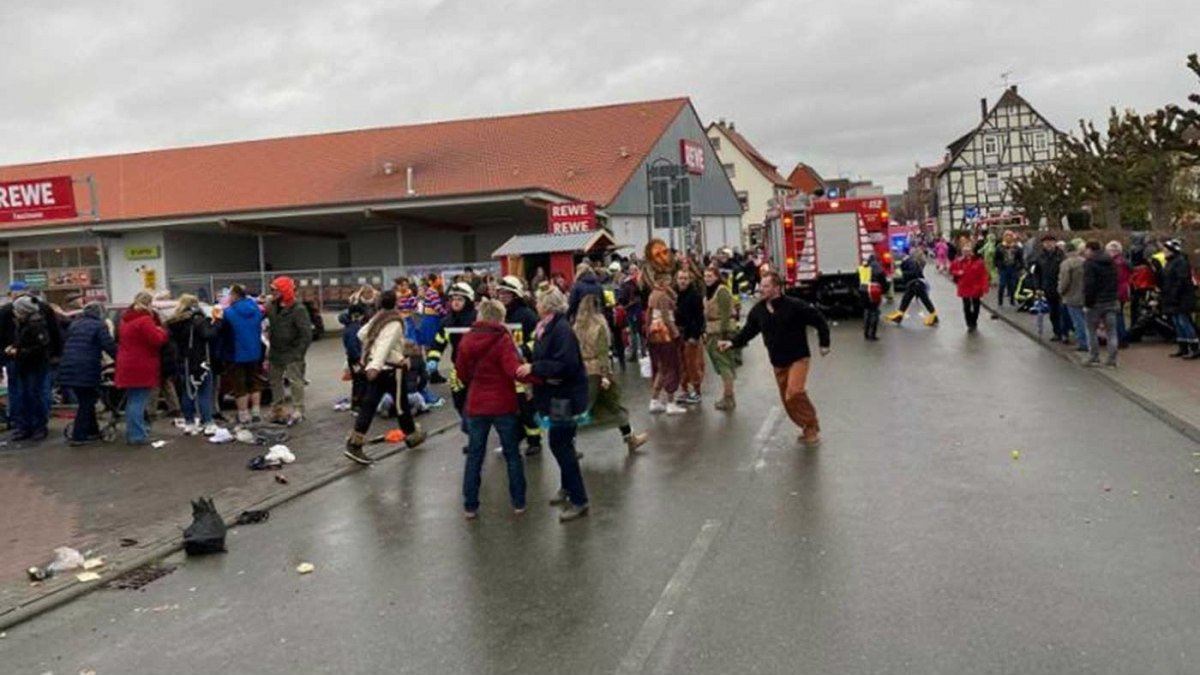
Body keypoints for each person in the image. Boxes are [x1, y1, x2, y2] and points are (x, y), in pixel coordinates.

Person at [719, 271, 830, 447]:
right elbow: (749, 331)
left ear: (777, 288)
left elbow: (818, 320)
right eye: (761, 286)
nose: (761, 289)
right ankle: (807, 426)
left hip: (798, 357)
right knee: (788, 401)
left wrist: (824, 343)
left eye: (766, 286)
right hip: (778, 361)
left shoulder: (794, 306)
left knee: (794, 392)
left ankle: (811, 426)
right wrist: (732, 343)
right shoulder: (758, 311)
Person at [516, 286, 590, 522]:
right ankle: (568, 488)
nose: (536, 304)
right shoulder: (548, 327)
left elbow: (565, 364)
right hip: (555, 394)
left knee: (561, 445)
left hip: (564, 396)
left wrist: (535, 368)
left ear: (547, 306)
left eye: (539, 301)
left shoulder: (560, 330)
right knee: (562, 443)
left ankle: (579, 499)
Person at [455, 298, 528, 519]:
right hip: (503, 403)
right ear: (500, 317)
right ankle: (518, 502)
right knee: (512, 455)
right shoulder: (503, 340)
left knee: (475, 455)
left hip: (477, 404)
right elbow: (512, 370)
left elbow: (461, 373)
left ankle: (470, 505)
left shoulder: (466, 340)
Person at [343, 290, 425, 465]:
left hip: (379, 369)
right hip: (392, 370)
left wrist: (373, 357)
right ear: (395, 304)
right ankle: (412, 435)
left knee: (370, 405)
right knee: (400, 404)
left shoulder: (377, 318)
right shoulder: (395, 322)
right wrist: (376, 364)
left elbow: (361, 334)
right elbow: (385, 345)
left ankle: (355, 442)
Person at [573, 294, 649, 454]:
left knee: (599, 406)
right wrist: (606, 375)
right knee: (606, 405)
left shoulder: (576, 327)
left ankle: (631, 438)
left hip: (581, 370)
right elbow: (602, 353)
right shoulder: (599, 326)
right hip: (597, 372)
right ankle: (568, 444)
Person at [6, 292, 63, 442]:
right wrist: (15, 347)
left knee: (34, 395)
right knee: (26, 395)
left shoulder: (36, 325)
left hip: (34, 366)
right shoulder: (24, 323)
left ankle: (35, 427)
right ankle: (28, 427)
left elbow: (40, 347)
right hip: (25, 365)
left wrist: (18, 351)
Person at [59, 302, 117, 446]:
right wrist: (120, 359)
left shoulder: (75, 324)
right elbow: (108, 345)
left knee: (86, 399)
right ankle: (79, 435)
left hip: (68, 366)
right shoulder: (99, 325)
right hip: (86, 367)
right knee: (87, 401)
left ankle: (92, 430)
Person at [115, 292, 169, 446]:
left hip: (127, 363)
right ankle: (137, 435)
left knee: (133, 400)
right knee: (138, 401)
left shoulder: (126, 320)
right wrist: (162, 331)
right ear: (149, 304)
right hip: (141, 364)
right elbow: (157, 340)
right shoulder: (144, 320)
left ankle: (135, 432)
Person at [497, 275, 543, 455]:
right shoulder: (500, 315)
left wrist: (524, 349)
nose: (502, 296)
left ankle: (534, 441)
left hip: (523, 369)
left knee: (527, 409)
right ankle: (516, 437)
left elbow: (537, 340)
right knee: (510, 410)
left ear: (515, 295)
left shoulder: (527, 315)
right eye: (500, 293)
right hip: (505, 371)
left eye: (506, 294)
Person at [429, 282, 478, 446]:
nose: (455, 302)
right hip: (457, 369)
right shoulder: (446, 321)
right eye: (453, 299)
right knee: (459, 402)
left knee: (475, 404)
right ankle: (472, 432)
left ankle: (476, 439)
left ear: (468, 301)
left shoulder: (476, 319)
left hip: (477, 369)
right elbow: (438, 343)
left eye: (460, 299)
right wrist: (433, 360)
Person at [167, 295, 220, 435]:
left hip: (182, 361)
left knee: (187, 393)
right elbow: (209, 335)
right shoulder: (197, 320)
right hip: (200, 361)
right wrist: (216, 322)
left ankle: (189, 423)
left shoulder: (174, 322)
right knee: (204, 391)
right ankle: (207, 422)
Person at [265, 276, 312, 425]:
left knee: (295, 381)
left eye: (275, 290)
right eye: (271, 290)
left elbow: (306, 334)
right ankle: (277, 409)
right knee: (274, 380)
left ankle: (298, 409)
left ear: (284, 291)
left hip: (292, 352)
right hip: (276, 351)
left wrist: (299, 353)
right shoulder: (271, 306)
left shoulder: (298, 309)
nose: (272, 292)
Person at [221, 284, 265, 425]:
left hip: (236, 354)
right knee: (255, 382)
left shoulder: (228, 313)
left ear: (234, 296)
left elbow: (222, 332)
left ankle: (243, 414)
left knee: (239, 386)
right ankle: (256, 412)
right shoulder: (256, 310)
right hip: (255, 352)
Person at [646, 278, 686, 415]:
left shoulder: (653, 294)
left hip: (653, 332)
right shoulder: (662, 296)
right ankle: (670, 402)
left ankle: (655, 400)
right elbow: (666, 316)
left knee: (662, 367)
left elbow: (649, 315)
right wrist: (675, 333)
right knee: (671, 366)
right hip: (665, 333)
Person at [703, 266, 740, 410]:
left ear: (717, 277)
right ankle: (727, 396)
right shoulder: (709, 292)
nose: (707, 279)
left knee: (724, 365)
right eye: (705, 276)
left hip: (721, 331)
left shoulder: (721, 291)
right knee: (720, 364)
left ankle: (729, 398)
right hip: (713, 330)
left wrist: (724, 335)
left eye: (710, 276)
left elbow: (725, 313)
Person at [1081, 240, 1120, 367]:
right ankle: (1112, 360)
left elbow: (1089, 285)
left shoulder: (1089, 264)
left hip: (1095, 303)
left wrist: (1087, 303)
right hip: (1111, 301)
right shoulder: (1111, 262)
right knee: (1111, 331)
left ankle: (1094, 357)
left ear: (1089, 250)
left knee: (1091, 330)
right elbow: (1116, 281)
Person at [1160, 239, 1199, 359]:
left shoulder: (1181, 262)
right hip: (1172, 297)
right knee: (1177, 322)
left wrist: (1173, 294)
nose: (1164, 251)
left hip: (1182, 298)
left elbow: (1181, 281)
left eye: (1166, 249)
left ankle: (1194, 347)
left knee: (1184, 322)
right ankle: (1183, 347)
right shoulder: (1170, 262)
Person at [674, 267, 705, 404]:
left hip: (691, 334)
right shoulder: (675, 295)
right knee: (681, 364)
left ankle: (697, 391)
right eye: (681, 278)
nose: (683, 281)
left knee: (692, 364)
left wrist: (695, 335)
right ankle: (685, 390)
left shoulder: (695, 296)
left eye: (685, 279)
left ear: (690, 280)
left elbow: (699, 318)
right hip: (678, 333)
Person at [886, 252, 938, 326]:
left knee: (922, 300)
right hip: (915, 283)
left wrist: (902, 273)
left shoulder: (909, 262)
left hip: (916, 283)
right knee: (907, 300)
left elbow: (913, 273)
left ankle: (934, 316)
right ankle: (899, 316)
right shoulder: (910, 262)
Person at [1033, 234, 1066, 342]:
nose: (1048, 244)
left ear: (1055, 243)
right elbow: (1037, 273)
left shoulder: (1061, 255)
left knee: (1062, 312)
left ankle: (1064, 332)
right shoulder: (1040, 256)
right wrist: (1038, 287)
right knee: (1053, 312)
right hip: (1047, 288)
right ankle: (1057, 332)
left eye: (1051, 242)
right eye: (1046, 242)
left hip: (1061, 288)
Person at [951, 243, 989, 332]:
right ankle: (969, 323)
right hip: (964, 286)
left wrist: (985, 286)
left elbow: (984, 275)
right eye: (964, 251)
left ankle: (974, 320)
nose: (966, 253)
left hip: (976, 287)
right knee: (966, 305)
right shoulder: (958, 261)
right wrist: (958, 272)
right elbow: (952, 269)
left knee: (976, 305)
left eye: (968, 251)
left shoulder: (978, 262)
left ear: (971, 252)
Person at [1058, 240, 1088, 352]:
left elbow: (1064, 281)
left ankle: (1083, 343)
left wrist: (1060, 291)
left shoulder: (1067, 264)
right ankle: (1090, 341)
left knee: (1078, 321)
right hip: (1085, 295)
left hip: (1072, 296)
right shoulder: (1085, 261)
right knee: (1086, 320)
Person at [1107, 241, 1132, 348]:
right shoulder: (1123, 261)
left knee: (1117, 315)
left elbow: (1116, 278)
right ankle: (1121, 338)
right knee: (1119, 313)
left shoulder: (1116, 263)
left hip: (1117, 290)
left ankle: (1121, 339)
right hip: (1123, 289)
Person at [993, 230, 1025, 313]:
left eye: (1010, 236)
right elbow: (996, 258)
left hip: (1013, 268)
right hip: (1003, 268)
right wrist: (998, 266)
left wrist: (1021, 267)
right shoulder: (999, 246)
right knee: (1002, 285)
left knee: (1013, 285)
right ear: (1004, 237)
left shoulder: (1016, 247)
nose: (1008, 237)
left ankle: (1012, 300)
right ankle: (1000, 302)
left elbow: (1020, 258)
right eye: (1007, 236)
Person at [858, 255, 887, 341]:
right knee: (874, 311)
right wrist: (883, 291)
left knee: (867, 310)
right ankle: (872, 334)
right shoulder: (879, 268)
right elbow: (883, 282)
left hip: (864, 291)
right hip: (875, 291)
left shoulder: (863, 268)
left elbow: (858, 279)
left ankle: (866, 333)